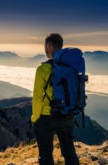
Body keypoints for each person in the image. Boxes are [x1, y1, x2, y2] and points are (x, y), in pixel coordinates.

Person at [31, 33, 80, 165]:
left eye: (45, 46)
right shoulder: (71, 67)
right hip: (67, 114)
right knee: (69, 152)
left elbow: (37, 97)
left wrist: (35, 118)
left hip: (47, 117)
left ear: (49, 46)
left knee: (46, 155)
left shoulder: (43, 69)